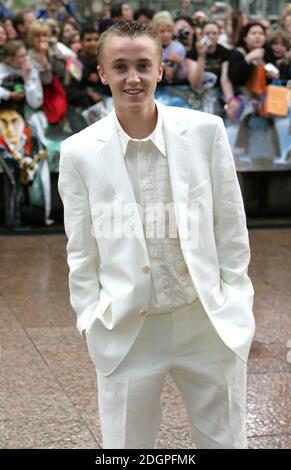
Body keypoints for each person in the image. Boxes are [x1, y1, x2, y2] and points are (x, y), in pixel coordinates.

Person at [58, 20, 255, 449]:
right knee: (127, 448)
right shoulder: (78, 152)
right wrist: (91, 318)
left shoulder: (206, 132)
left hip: (206, 319)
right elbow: (81, 248)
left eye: (144, 65)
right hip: (128, 327)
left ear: (161, 70)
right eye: (121, 66)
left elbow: (231, 227)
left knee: (226, 441)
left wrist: (236, 298)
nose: (134, 78)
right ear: (102, 73)